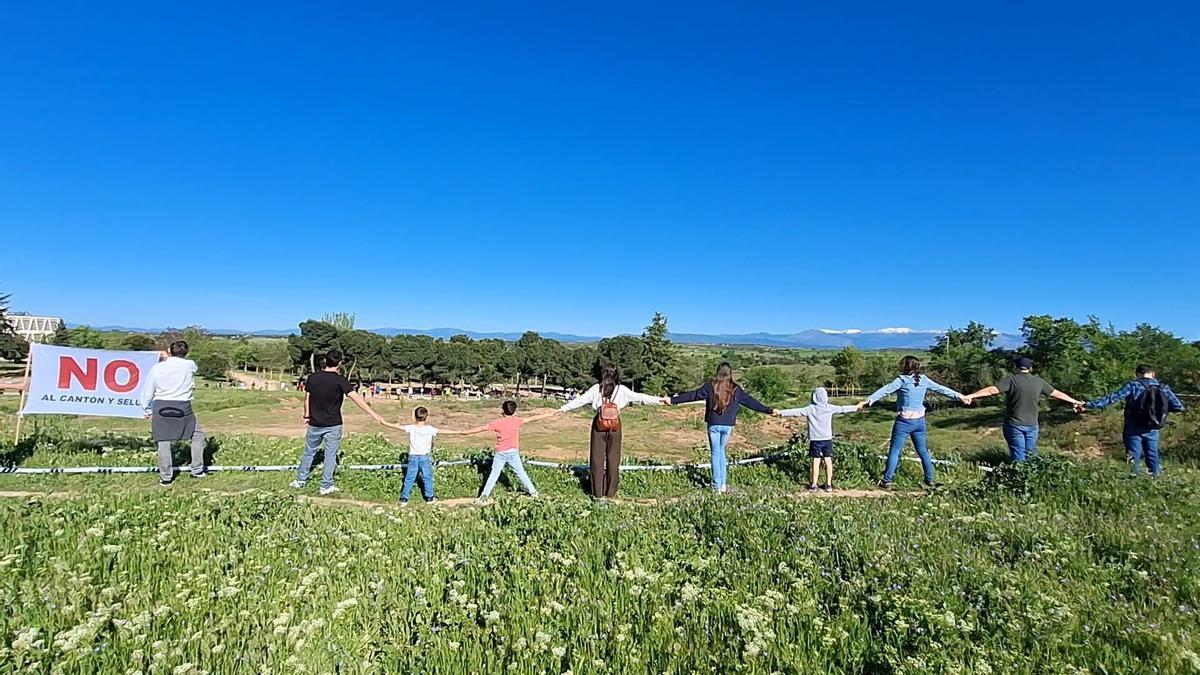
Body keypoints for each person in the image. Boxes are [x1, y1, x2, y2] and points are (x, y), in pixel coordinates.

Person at [557, 365, 666, 500]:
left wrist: (563, 408)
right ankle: (610, 492)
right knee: (613, 459)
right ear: (616, 375)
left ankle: (597, 492)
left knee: (597, 459)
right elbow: (640, 397)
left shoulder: (596, 389)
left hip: (599, 424)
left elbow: (580, 401)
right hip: (615, 425)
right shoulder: (622, 390)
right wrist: (659, 400)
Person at [289, 350, 388, 496]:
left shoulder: (312, 377)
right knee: (330, 455)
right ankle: (326, 485)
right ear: (339, 363)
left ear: (325, 361)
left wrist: (307, 414)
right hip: (333, 424)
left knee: (309, 452)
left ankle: (300, 480)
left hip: (314, 423)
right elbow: (356, 398)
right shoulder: (340, 380)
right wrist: (373, 414)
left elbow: (307, 398)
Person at [667, 362, 775, 493]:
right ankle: (723, 485)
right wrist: (769, 410)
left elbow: (692, 395)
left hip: (713, 424)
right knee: (722, 452)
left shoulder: (710, 386)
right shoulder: (736, 389)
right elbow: (751, 402)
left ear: (717, 372)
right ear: (730, 373)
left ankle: (716, 486)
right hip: (728, 425)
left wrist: (672, 400)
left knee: (715, 453)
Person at [865, 355, 969, 489]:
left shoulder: (901, 380)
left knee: (895, 451)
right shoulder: (924, 380)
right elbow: (942, 389)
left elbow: (885, 390)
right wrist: (961, 397)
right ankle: (930, 480)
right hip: (920, 421)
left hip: (904, 421)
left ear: (905, 366)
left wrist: (869, 400)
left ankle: (887, 481)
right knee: (923, 451)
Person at [963, 357, 1085, 461]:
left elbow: (991, 390)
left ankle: (1019, 482)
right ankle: (1034, 480)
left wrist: (971, 396)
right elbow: (1057, 393)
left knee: (1018, 456)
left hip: (1014, 425)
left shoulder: (1012, 380)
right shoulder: (1039, 382)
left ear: (1016, 368)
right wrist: (1075, 402)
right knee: (1031, 454)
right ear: (1030, 368)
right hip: (1032, 425)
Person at [1081, 365, 1185, 477]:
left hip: (1133, 426)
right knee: (1152, 453)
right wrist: (1159, 410)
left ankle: (1133, 479)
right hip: (1153, 427)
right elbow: (1179, 406)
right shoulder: (1163, 387)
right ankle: (1155, 479)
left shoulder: (1133, 385)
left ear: (1137, 374)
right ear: (1153, 374)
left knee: (1133, 454)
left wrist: (1088, 405)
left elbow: (1113, 398)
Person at [453, 400, 557, 503]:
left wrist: (464, 433)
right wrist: (551, 413)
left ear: (502, 411)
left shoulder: (497, 423)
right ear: (514, 411)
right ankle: (534, 493)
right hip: (513, 452)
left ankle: (484, 496)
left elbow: (482, 428)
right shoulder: (517, 421)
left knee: (494, 474)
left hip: (501, 453)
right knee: (521, 473)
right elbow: (533, 418)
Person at [141, 341, 207, 486]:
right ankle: (197, 469)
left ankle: (166, 477)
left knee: (163, 441)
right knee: (198, 436)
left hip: (161, 406)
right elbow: (192, 366)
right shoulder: (190, 365)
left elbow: (148, 390)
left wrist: (146, 408)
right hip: (183, 406)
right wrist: (169, 355)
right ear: (186, 352)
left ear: (170, 351)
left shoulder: (157, 368)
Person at [777, 387, 866, 492]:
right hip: (827, 439)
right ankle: (829, 485)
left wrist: (781, 412)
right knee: (828, 460)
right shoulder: (829, 407)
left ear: (813, 397)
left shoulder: (810, 409)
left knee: (815, 461)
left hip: (815, 440)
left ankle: (814, 485)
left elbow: (796, 411)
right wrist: (856, 407)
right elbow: (842, 408)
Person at [384, 406, 473, 505]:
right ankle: (429, 498)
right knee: (427, 477)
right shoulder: (429, 429)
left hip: (413, 456)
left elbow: (397, 427)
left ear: (414, 417)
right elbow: (443, 431)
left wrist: (383, 422)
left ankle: (404, 498)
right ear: (427, 417)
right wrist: (459, 432)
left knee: (409, 477)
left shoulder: (411, 428)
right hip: (424, 457)